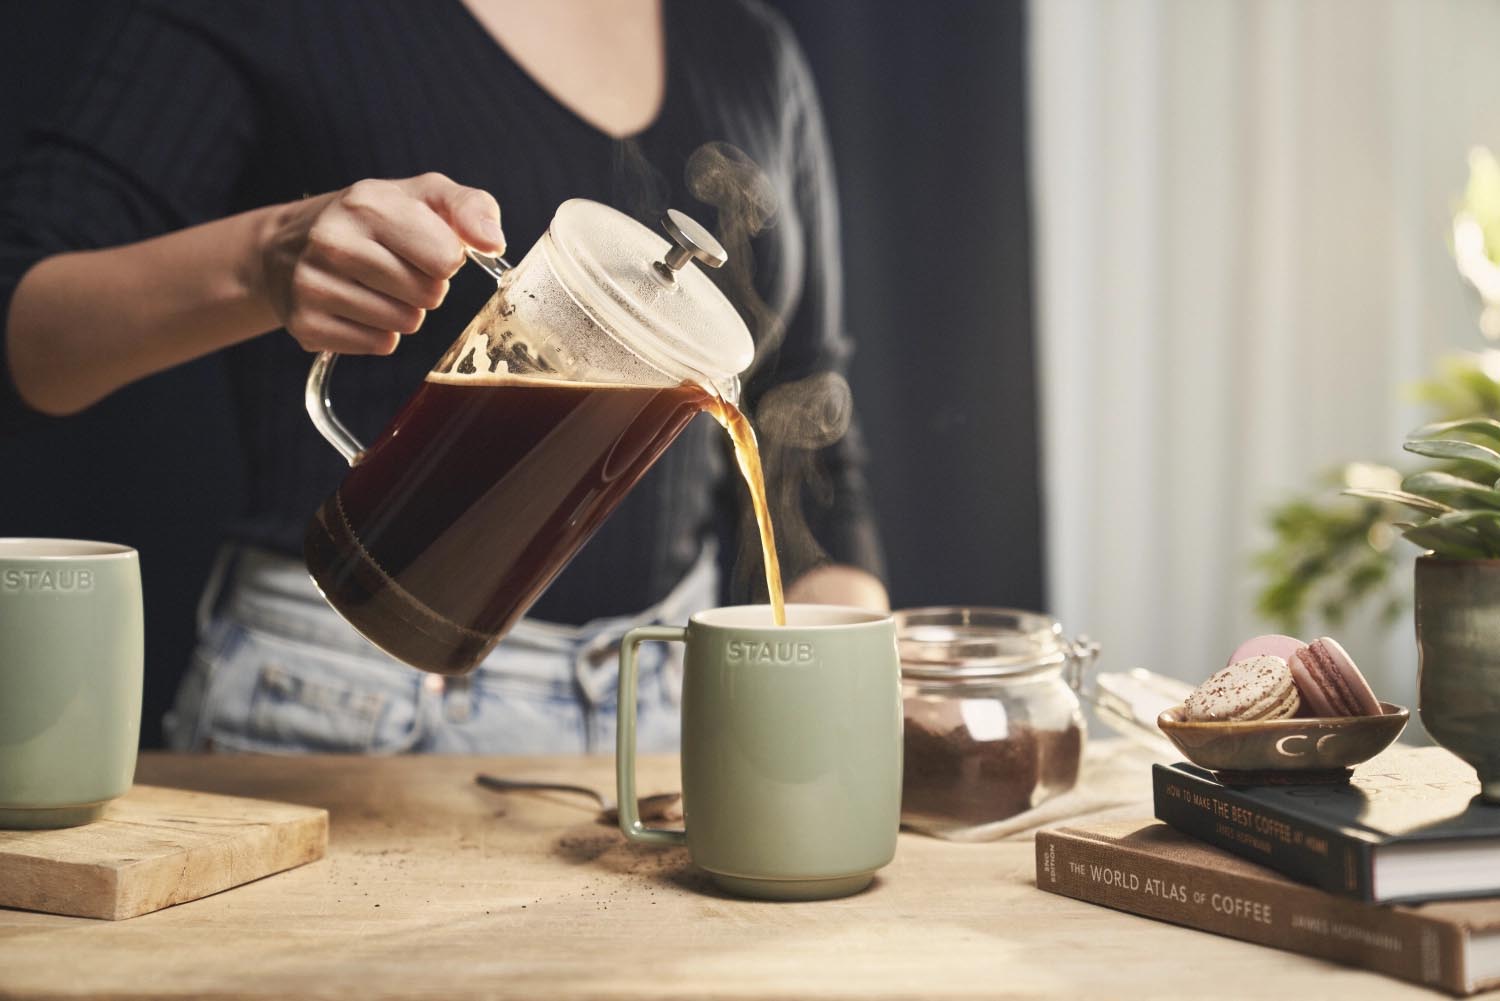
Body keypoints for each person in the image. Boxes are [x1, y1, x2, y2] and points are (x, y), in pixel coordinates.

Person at [0, 0, 887, 754]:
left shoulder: (752, 47)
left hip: (668, 717)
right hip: (344, 706)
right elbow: (20, 332)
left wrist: (864, 672)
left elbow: (801, 416)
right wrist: (263, 260)